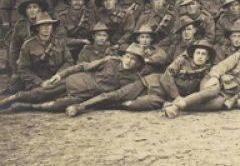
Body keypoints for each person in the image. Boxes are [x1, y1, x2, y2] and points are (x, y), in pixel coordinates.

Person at [65, 39, 216, 117]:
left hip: (160, 97)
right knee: (116, 94)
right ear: (193, 54)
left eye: (204, 54)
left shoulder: (206, 71)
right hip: (150, 83)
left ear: (208, 57)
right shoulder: (181, 61)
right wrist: (176, 97)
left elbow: (202, 90)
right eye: (198, 53)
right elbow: (166, 77)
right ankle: (82, 106)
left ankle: (98, 106)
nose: (200, 57)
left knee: (130, 105)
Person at [1, 44, 147, 113]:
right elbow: (82, 66)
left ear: (138, 63)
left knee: (55, 107)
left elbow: (117, 96)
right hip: (73, 83)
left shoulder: (133, 79)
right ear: (123, 56)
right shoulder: (110, 61)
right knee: (38, 94)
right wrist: (60, 75)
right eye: (128, 56)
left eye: (133, 59)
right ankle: (8, 101)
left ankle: (20, 107)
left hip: (83, 98)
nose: (129, 61)